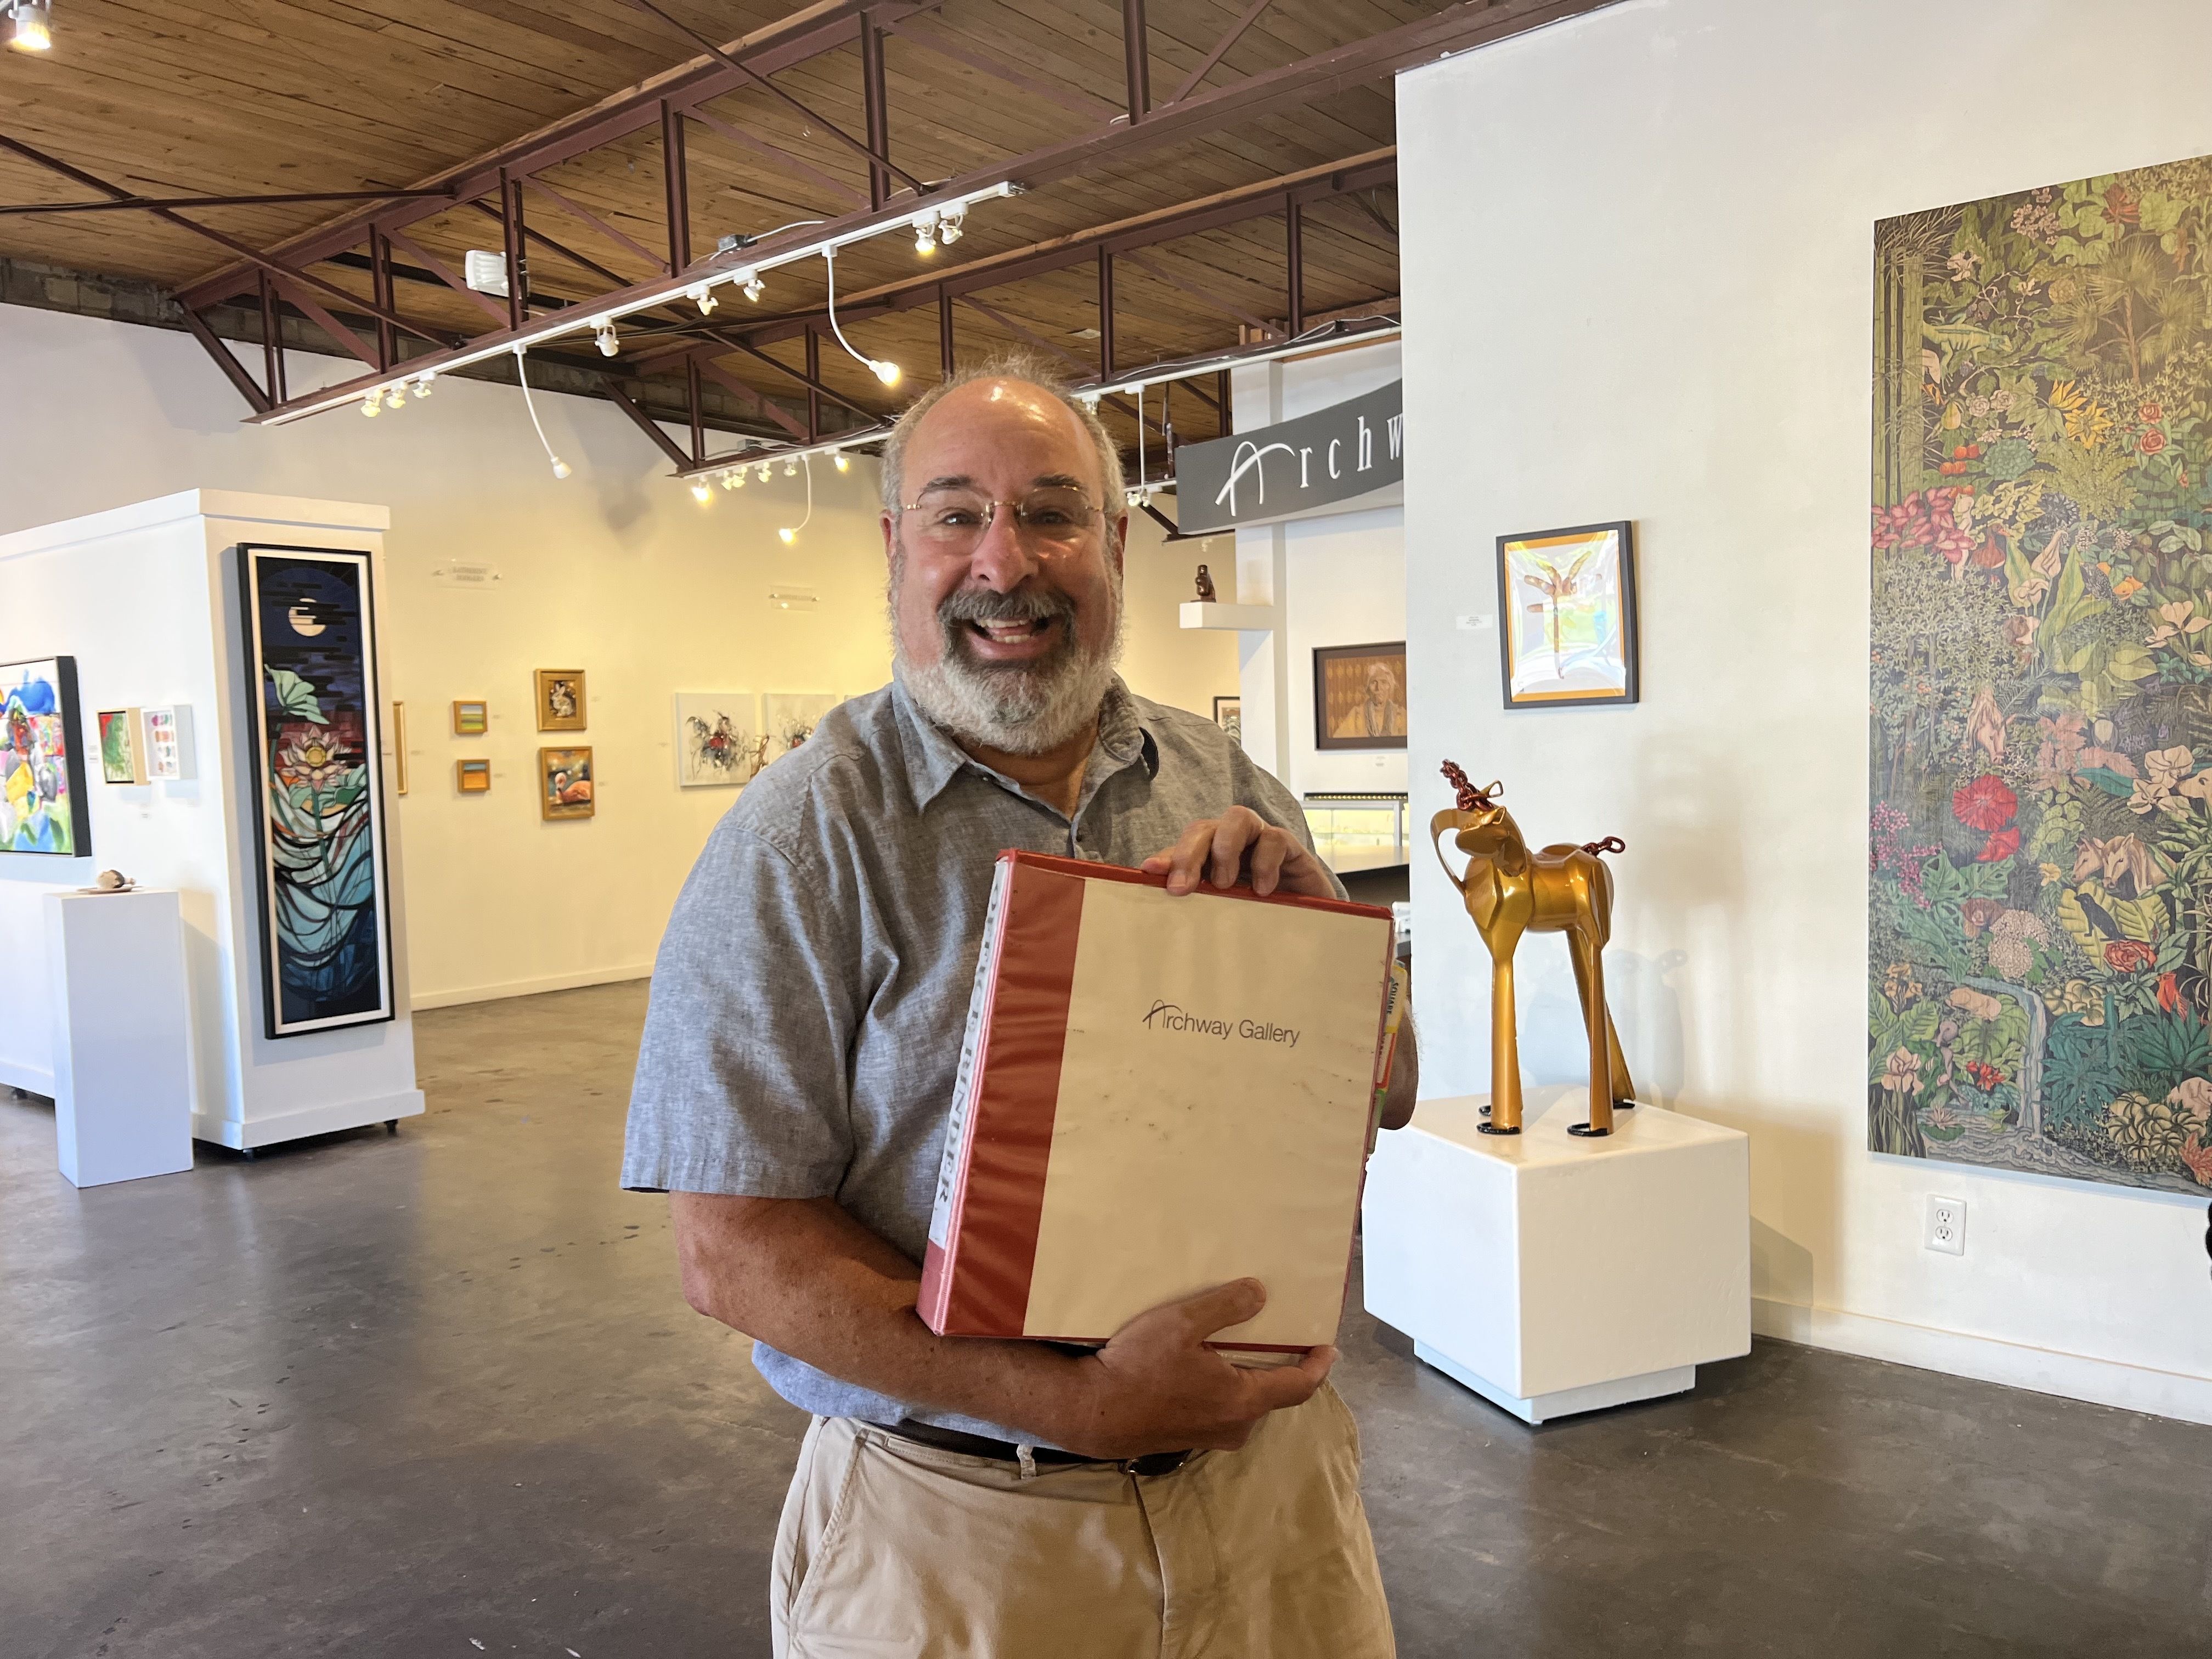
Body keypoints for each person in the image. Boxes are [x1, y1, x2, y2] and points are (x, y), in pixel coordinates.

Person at [623, 354, 1418, 1658]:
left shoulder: (1225, 777)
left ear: (1114, 543)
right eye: (956, 514)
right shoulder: (802, 839)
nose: (1007, 560)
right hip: (963, 1534)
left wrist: (1329, 945)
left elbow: (1381, 1093)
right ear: (896, 551)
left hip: (1275, 1502)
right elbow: (732, 1251)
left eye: (1052, 513)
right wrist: (1073, 1404)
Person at [1330, 659, 1407, 741]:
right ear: (1367, 689)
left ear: (1390, 687)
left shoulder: (1401, 714)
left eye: (1384, 682)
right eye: (1374, 682)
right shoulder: (1357, 714)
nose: (1379, 688)